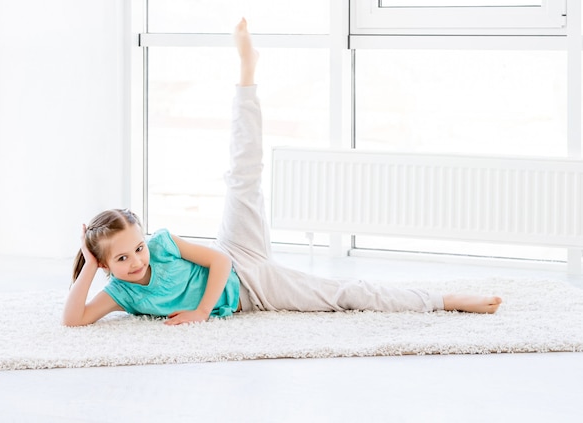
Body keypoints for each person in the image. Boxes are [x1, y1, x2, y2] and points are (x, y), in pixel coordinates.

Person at [62, 18, 502, 327]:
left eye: (136, 247)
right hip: (256, 296)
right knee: (344, 296)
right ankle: (444, 300)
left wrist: (200, 313)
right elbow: (74, 320)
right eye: (122, 258)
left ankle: (247, 74)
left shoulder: (160, 246)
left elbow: (221, 259)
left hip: (241, 261)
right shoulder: (121, 293)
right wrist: (87, 263)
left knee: (242, 175)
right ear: (105, 264)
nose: (137, 260)